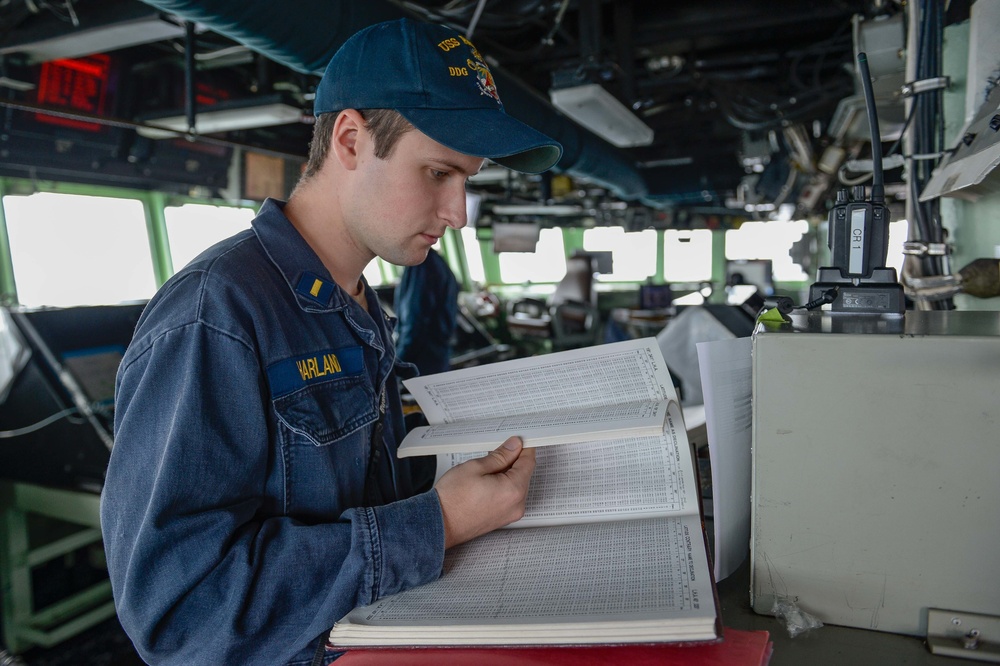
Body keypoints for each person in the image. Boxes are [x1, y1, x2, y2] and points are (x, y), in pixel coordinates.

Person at [101, 18, 562, 666]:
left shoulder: (357, 306)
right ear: (350, 139)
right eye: (437, 173)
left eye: (468, 179)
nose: (459, 213)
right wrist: (438, 523)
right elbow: (181, 613)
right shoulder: (216, 316)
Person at [394, 247, 460, 376]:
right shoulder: (438, 262)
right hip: (438, 352)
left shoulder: (421, 265)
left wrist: (399, 360)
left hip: (423, 356)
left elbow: (414, 317)